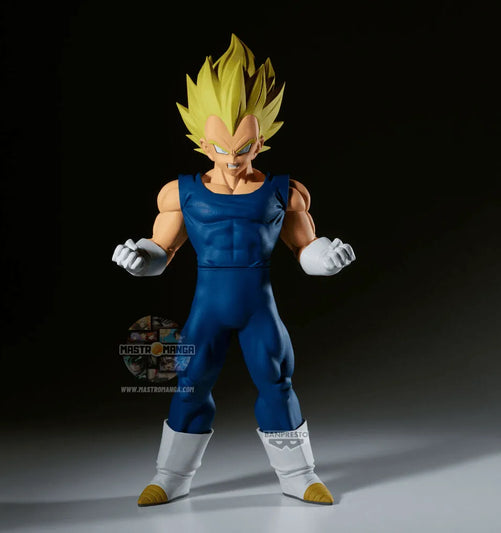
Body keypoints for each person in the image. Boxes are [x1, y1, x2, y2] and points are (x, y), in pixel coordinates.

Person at [112, 34, 355, 506]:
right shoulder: (179, 193)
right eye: (221, 148)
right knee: (190, 382)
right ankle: (171, 476)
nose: (232, 159)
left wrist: (324, 260)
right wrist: (141, 260)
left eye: (243, 147)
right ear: (202, 143)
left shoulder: (286, 192)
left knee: (276, 381)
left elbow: (305, 249)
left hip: (258, 307)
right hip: (208, 309)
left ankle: (299, 474)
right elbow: (163, 250)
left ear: (261, 140)